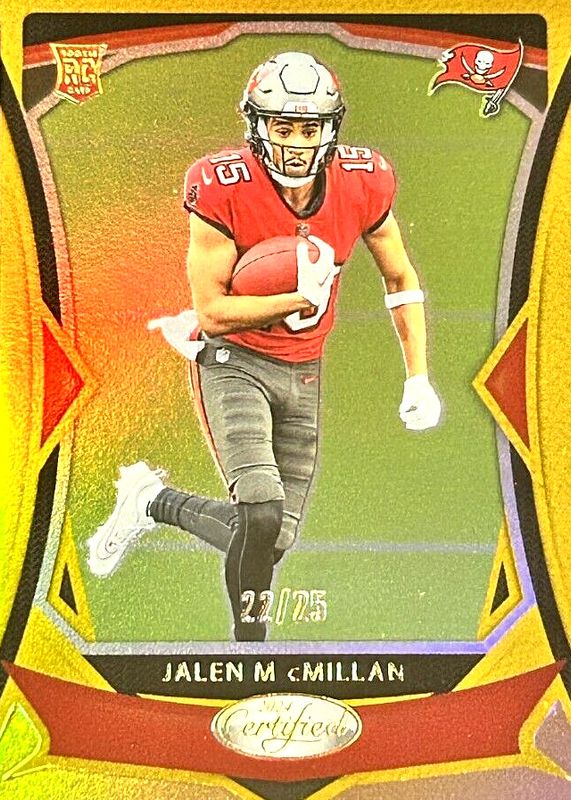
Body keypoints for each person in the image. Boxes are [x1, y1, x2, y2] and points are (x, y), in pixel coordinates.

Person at [87, 52, 441, 641]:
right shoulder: (221, 185)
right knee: (259, 511)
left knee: (272, 537)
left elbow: (400, 277)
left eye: (310, 128)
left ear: (331, 128)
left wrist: (418, 376)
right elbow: (212, 312)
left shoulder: (364, 180)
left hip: (304, 368)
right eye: (283, 126)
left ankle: (150, 501)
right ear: (258, 126)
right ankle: (250, 653)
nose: (297, 143)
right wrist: (296, 299)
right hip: (235, 360)